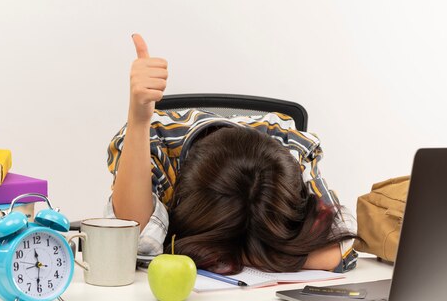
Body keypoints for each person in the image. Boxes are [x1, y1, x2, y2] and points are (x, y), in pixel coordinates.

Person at [104, 34, 357, 274]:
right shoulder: (151, 140)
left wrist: (233, 253)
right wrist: (138, 120)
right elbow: (131, 238)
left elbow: (339, 243)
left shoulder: (291, 146)